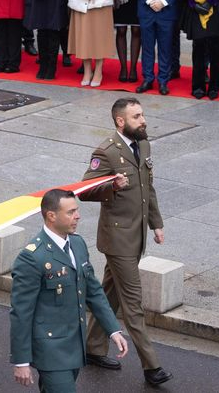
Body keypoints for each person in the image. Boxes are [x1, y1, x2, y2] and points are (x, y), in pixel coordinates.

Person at [79, 98, 173, 387]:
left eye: (142, 114)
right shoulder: (106, 152)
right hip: (118, 239)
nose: (143, 120)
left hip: (137, 236)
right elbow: (84, 190)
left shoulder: (143, 145)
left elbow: (149, 188)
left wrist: (156, 224)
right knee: (133, 305)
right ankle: (151, 367)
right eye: (136, 116)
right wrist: (110, 186)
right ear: (121, 121)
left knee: (108, 293)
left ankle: (94, 349)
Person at [10, 189, 128, 392]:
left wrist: (113, 329)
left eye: (77, 210)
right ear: (51, 216)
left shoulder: (77, 244)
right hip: (50, 350)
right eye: (71, 212)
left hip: (75, 345)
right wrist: (21, 361)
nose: (78, 216)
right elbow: (21, 312)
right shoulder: (32, 257)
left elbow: (93, 291)